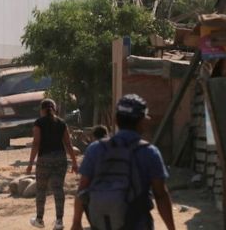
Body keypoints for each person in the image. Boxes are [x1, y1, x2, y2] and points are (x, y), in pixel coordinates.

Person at [71, 94, 176, 230]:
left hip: (102, 223)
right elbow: (160, 194)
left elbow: (82, 190)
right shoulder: (149, 152)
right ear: (142, 121)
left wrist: (76, 222)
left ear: (115, 120)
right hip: (138, 224)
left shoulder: (95, 149)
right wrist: (171, 228)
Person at [26, 99, 79, 230]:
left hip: (44, 160)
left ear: (42, 110)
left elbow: (36, 144)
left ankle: (39, 219)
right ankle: (59, 221)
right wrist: (74, 162)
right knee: (58, 189)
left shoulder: (39, 123)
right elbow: (68, 144)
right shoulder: (61, 123)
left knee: (41, 189)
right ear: (54, 109)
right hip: (60, 160)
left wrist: (30, 163)